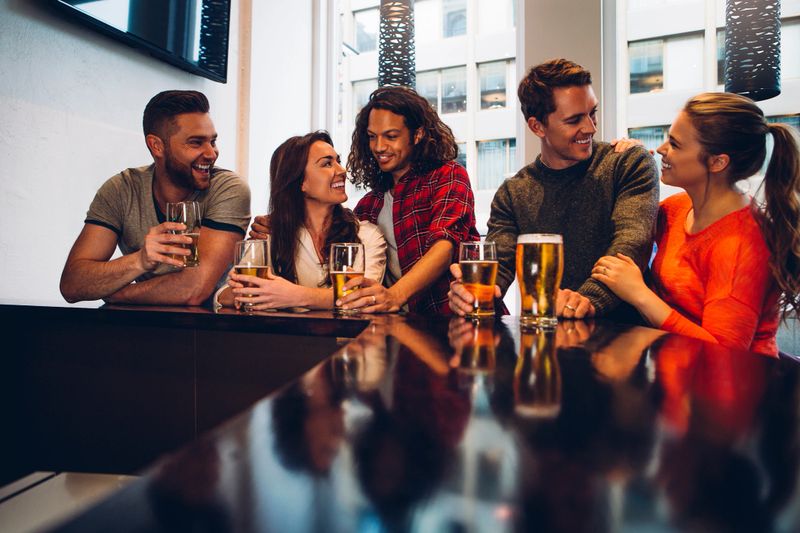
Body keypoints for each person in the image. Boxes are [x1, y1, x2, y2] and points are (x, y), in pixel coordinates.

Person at [448, 58, 659, 321]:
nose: (591, 128)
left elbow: (631, 244)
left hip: (625, 337)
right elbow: (499, 266)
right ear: (537, 126)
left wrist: (587, 301)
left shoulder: (627, 162)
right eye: (574, 120)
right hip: (546, 337)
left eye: (592, 112)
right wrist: (473, 293)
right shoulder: (514, 193)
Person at [592, 92, 800, 355]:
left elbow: (724, 353)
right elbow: (626, 221)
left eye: (676, 144)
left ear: (718, 162)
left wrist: (639, 294)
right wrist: (628, 162)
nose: (660, 149)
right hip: (680, 378)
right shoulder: (676, 209)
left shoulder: (740, 245)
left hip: (738, 390)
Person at [251, 86, 480, 315]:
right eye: (372, 137)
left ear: (417, 134)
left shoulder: (448, 175)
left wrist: (395, 295)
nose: (379, 147)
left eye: (391, 136)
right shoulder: (370, 204)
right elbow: (338, 226)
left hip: (455, 316)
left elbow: (444, 245)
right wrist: (283, 220)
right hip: (405, 326)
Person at [60, 90, 251, 305]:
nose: (211, 153)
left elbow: (194, 289)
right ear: (157, 146)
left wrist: (116, 294)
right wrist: (140, 261)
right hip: (144, 325)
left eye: (213, 141)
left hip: (212, 328)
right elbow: (72, 285)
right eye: (196, 143)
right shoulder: (121, 189)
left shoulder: (229, 188)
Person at [218, 131, 385, 310]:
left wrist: (291, 295)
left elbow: (364, 297)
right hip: (288, 337)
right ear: (300, 182)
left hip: (351, 338)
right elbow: (223, 294)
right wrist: (249, 292)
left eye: (338, 161)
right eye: (327, 163)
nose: (342, 170)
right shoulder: (270, 234)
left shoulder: (367, 235)